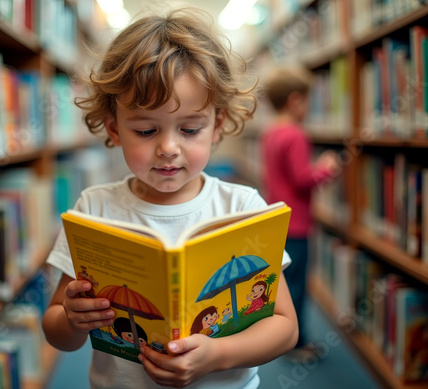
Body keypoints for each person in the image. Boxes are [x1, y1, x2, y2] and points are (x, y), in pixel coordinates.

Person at [42, 8, 298, 389]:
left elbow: (285, 327)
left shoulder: (243, 208)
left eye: (190, 128)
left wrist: (217, 356)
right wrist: (72, 321)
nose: (168, 148)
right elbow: (56, 330)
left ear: (218, 125)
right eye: (146, 130)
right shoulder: (93, 209)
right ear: (114, 129)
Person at [260, 64, 340, 360]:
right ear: (295, 100)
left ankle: (283, 337)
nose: (308, 107)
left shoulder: (270, 132)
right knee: (296, 285)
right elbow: (303, 179)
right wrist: (327, 169)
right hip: (298, 224)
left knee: (284, 283)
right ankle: (294, 343)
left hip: (279, 220)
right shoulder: (294, 134)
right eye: (308, 101)